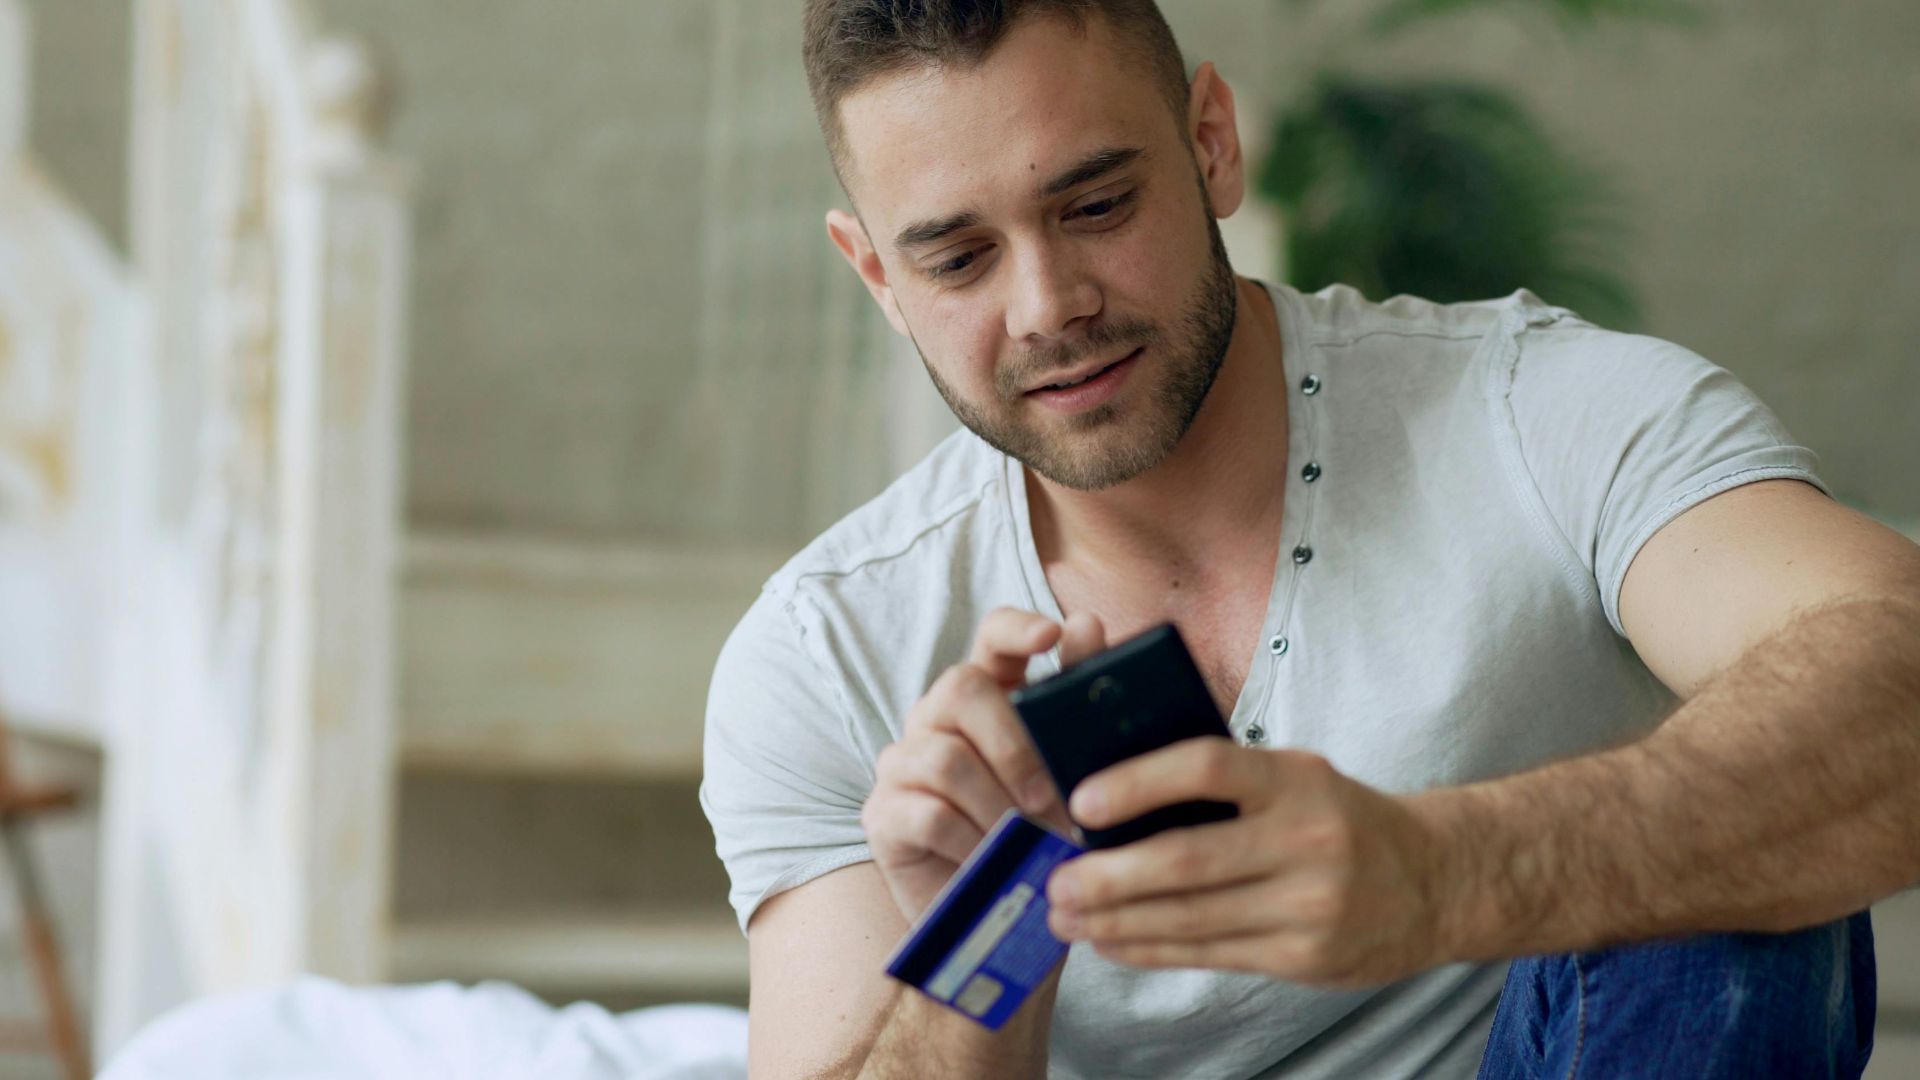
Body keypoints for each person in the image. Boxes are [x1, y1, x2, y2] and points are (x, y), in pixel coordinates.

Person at [700, 1, 1920, 1076]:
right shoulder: (827, 651)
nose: (1048, 306)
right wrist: (990, 932)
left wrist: (1442, 877)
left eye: (1098, 203)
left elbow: (1895, 667)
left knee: (1732, 850)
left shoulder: (1540, 418)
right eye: (959, 258)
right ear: (877, 276)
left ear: (1212, 143)